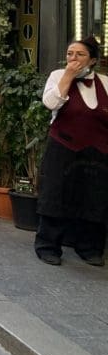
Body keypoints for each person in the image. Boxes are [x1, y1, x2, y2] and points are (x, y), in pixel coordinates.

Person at [34, 36, 108, 267]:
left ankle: (90, 247)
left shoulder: (105, 82)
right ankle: (48, 246)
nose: (73, 58)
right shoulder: (57, 76)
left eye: (80, 54)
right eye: (69, 54)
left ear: (93, 60)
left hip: (98, 149)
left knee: (95, 197)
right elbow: (51, 103)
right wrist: (67, 75)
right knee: (56, 195)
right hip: (63, 146)